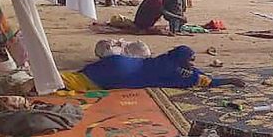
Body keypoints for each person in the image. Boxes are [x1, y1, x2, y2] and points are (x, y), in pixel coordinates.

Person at [61, 46, 246, 91]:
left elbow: (196, 72)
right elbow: (205, 81)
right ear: (182, 60)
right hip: (122, 73)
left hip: (119, 61)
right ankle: (38, 82)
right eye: (191, 61)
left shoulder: (165, 59)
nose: (193, 64)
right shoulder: (176, 73)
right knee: (77, 84)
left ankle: (45, 77)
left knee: (78, 77)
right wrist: (229, 80)